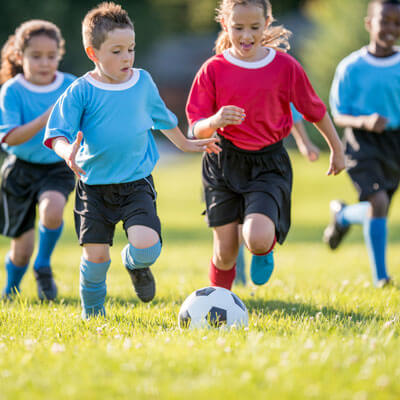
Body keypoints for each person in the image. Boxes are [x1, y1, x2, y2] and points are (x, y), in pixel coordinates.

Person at [44, 2, 220, 319]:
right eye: (116, 51)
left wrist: (185, 144)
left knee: (147, 246)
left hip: (135, 183)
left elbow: (161, 118)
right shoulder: (80, 91)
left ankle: (134, 264)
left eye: (131, 48)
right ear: (92, 52)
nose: (127, 57)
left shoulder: (142, 82)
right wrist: (66, 151)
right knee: (96, 259)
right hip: (94, 188)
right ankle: (93, 313)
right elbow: (57, 132)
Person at [186, 0, 345, 291]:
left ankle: (264, 248)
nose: (246, 36)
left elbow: (314, 109)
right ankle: (220, 304)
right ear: (225, 25)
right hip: (222, 161)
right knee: (225, 254)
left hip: (267, 164)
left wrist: (336, 148)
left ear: (267, 23)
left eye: (254, 27)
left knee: (256, 238)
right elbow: (195, 127)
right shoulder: (213, 70)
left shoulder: (285, 67)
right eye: (238, 28)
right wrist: (216, 120)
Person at [323, 0, 400, 288]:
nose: (391, 28)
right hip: (361, 142)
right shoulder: (351, 67)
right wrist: (365, 121)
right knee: (377, 203)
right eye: (385, 21)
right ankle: (381, 277)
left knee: (377, 210)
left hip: (395, 143)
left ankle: (342, 215)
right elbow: (338, 113)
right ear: (369, 24)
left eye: (397, 22)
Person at [0, 20, 76, 300]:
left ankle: (43, 266)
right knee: (21, 251)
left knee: (53, 209)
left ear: (59, 54)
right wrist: (46, 119)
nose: (45, 63)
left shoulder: (70, 85)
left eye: (51, 56)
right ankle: (11, 290)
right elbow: (10, 137)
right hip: (19, 170)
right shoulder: (11, 90)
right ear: (20, 56)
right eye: (36, 56)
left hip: (57, 166)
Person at [235, 104, 320, 286]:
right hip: (225, 157)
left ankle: (262, 247)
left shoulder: (268, 76)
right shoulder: (216, 76)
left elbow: (290, 105)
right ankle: (237, 279)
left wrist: (303, 141)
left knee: (252, 217)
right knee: (231, 223)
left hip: (263, 160)